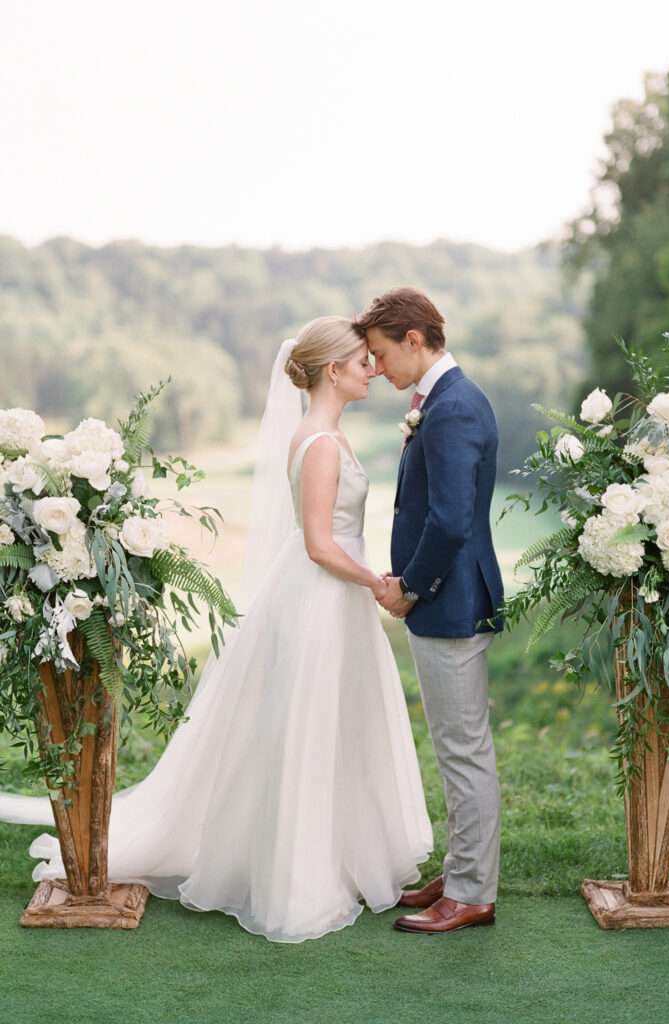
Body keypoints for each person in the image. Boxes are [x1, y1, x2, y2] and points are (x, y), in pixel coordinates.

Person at [0, 316, 432, 943]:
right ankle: (296, 878)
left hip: (335, 600)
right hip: (322, 598)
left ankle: (335, 856)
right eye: (362, 359)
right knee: (307, 728)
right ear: (332, 371)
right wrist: (377, 582)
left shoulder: (325, 435)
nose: (372, 367)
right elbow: (316, 544)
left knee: (336, 726)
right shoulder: (317, 442)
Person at [355, 288, 504, 934]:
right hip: (445, 597)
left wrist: (409, 588)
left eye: (383, 355)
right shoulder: (444, 401)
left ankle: (472, 891)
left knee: (464, 750)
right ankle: (462, 866)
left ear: (415, 339)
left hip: (448, 600)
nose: (378, 368)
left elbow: (447, 521)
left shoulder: (452, 410)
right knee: (454, 747)